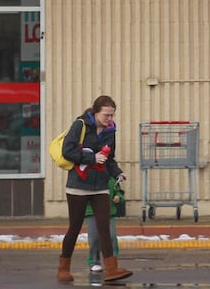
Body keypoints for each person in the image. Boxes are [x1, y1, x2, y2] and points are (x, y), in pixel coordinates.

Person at [56, 95, 132, 283]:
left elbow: (109, 158)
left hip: (100, 186)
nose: (110, 119)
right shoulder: (80, 125)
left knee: (104, 227)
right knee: (74, 228)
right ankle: (63, 268)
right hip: (78, 186)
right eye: (106, 115)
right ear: (96, 112)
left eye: (112, 115)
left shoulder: (110, 130)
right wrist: (91, 158)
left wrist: (117, 173)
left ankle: (112, 269)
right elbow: (68, 151)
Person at [86, 177, 124, 272]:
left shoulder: (111, 178)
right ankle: (94, 262)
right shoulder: (88, 176)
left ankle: (112, 261)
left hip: (108, 211)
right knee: (94, 238)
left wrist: (118, 197)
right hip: (92, 212)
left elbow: (118, 191)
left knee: (112, 236)